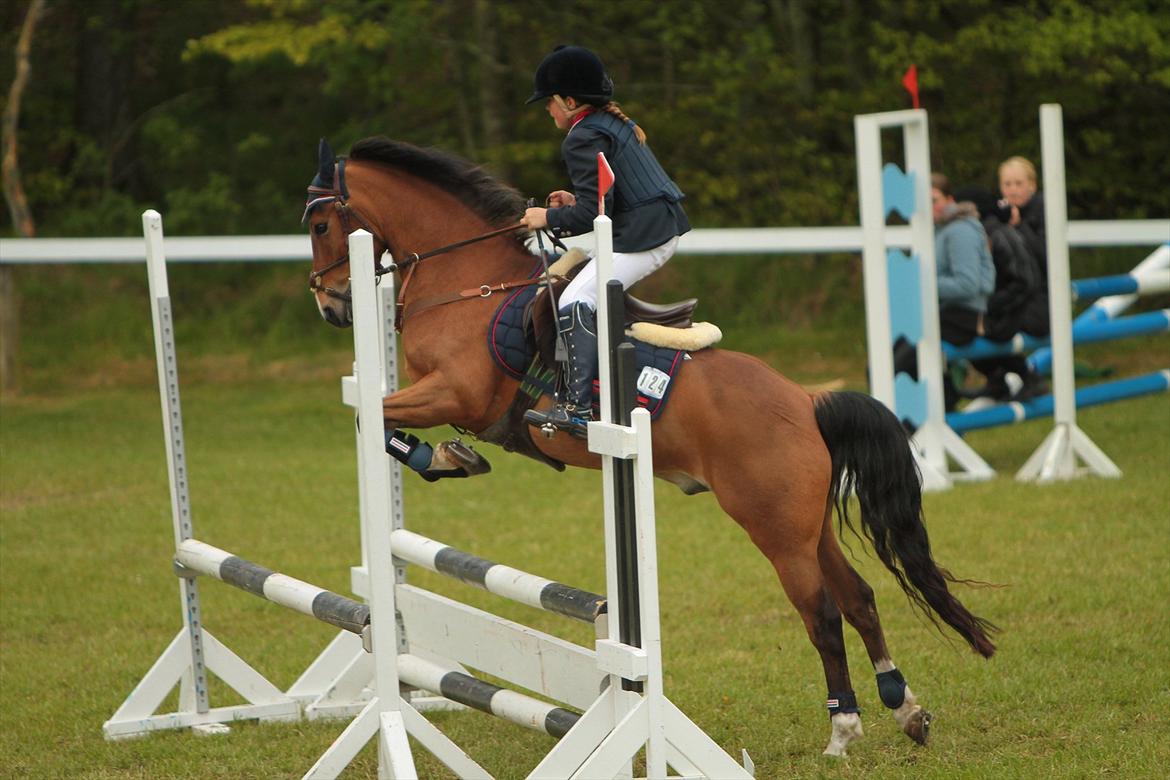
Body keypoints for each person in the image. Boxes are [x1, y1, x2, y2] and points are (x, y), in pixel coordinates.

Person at [520, 45, 691, 436]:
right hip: (651, 227)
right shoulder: (608, 124)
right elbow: (602, 199)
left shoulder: (581, 137)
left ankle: (577, 409)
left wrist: (545, 217)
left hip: (643, 236)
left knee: (575, 299)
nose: (547, 110)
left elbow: (595, 215)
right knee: (578, 290)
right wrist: (572, 200)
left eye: (550, 102)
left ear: (569, 101)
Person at [894, 173, 995, 414]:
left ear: (950, 199)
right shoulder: (941, 229)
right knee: (892, 357)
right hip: (948, 313)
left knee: (901, 363)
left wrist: (921, 283)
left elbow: (968, 284)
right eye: (923, 201)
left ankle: (923, 421)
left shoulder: (959, 231)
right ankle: (941, 407)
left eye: (934, 199)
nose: (929, 207)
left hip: (963, 317)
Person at [953, 157, 1050, 402]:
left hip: (1039, 300)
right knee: (966, 322)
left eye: (1019, 183)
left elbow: (1046, 259)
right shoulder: (997, 214)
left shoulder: (1044, 211)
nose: (1013, 189)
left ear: (1032, 185)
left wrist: (1019, 228)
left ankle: (1025, 376)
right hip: (1017, 296)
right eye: (1007, 184)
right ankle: (997, 377)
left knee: (979, 325)